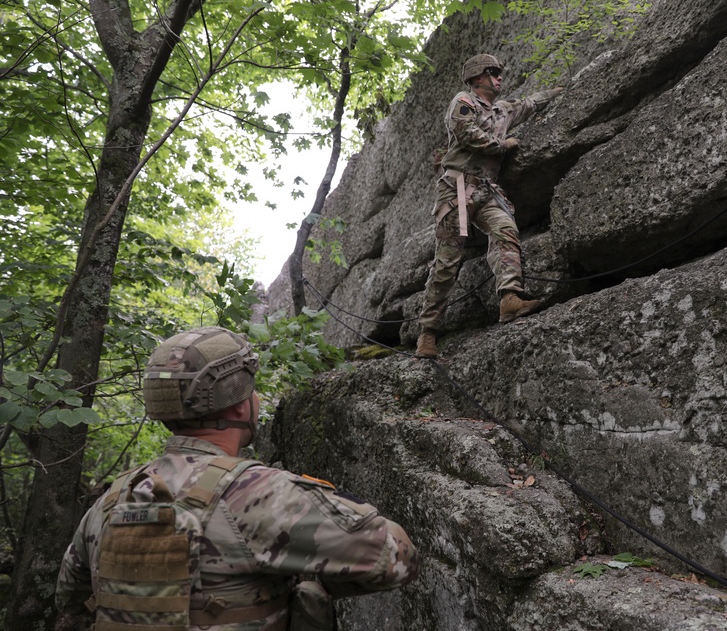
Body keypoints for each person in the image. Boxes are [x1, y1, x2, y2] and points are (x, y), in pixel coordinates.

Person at [55, 326, 419, 630]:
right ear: (242, 405)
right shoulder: (261, 493)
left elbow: (71, 599)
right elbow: (397, 558)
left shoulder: (113, 498)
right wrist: (304, 576)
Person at [415, 54, 564, 359]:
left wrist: (560, 90)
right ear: (477, 78)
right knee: (446, 263)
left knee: (506, 230)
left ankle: (509, 298)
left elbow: (529, 103)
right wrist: (501, 145)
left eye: (500, 72)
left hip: (486, 191)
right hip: (456, 191)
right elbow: (464, 131)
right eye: (493, 72)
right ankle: (428, 333)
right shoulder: (464, 100)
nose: (499, 77)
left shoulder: (502, 110)